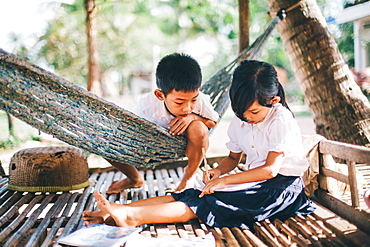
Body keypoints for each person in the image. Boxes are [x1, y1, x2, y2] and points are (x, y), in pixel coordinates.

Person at [83, 60, 314, 230]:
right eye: (240, 112)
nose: (246, 117)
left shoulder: (280, 119)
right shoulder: (242, 121)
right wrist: (218, 171)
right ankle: (118, 213)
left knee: (208, 202)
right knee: (193, 193)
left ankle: (134, 217)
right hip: (254, 183)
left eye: (253, 111)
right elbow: (233, 159)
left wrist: (225, 180)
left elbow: (270, 170)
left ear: (273, 101)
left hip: (278, 190)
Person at [106, 53, 219, 193]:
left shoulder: (200, 100)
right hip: (150, 141)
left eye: (193, 100)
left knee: (199, 128)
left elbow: (213, 121)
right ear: (160, 95)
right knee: (106, 141)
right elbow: (132, 128)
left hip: (188, 144)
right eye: (179, 102)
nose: (188, 107)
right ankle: (134, 178)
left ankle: (187, 179)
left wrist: (193, 118)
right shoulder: (147, 106)